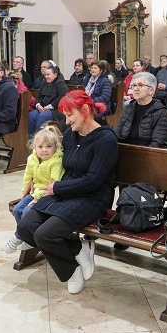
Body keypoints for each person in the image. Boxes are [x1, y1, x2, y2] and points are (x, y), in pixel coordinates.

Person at [15, 90, 119, 294]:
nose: (67, 121)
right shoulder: (71, 134)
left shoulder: (106, 139)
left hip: (92, 197)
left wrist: (57, 188)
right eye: (65, 115)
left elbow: (94, 180)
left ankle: (71, 271)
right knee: (26, 226)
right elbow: (54, 161)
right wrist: (36, 180)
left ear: (85, 110)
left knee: (45, 235)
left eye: (70, 115)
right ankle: (78, 248)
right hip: (65, 191)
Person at [6, 124, 65, 247]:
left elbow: (53, 184)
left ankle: (25, 238)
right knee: (17, 209)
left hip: (48, 194)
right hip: (35, 191)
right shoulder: (32, 159)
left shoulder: (56, 161)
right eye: (40, 147)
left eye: (49, 146)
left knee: (27, 211)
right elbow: (28, 176)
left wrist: (37, 197)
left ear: (55, 147)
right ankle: (26, 236)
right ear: (35, 147)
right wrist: (25, 192)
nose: (44, 150)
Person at [114, 72, 167, 147]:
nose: (136, 89)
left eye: (140, 85)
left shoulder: (160, 111)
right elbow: (117, 133)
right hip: (124, 149)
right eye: (134, 85)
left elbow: (158, 142)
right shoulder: (128, 107)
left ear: (151, 90)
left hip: (146, 151)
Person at [28, 65, 69, 136]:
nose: (46, 76)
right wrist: (38, 105)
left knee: (42, 116)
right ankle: (31, 137)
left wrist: (49, 106)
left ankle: (39, 138)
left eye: (48, 75)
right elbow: (40, 96)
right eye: (45, 75)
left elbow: (63, 97)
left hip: (56, 110)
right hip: (43, 108)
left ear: (55, 75)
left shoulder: (60, 83)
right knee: (32, 115)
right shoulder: (44, 83)